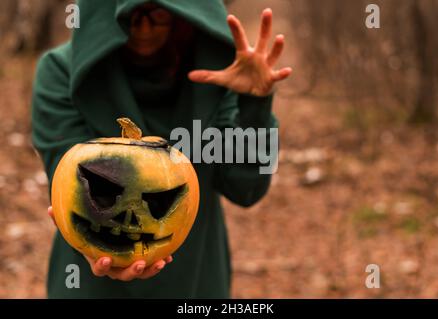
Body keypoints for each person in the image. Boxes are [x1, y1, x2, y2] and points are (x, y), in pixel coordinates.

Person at [32, 0, 291, 298]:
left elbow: (246, 188)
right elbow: (71, 191)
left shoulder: (220, 73)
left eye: (158, 15)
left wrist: (254, 109)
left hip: (194, 280)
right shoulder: (61, 71)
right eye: (132, 16)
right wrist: (92, 248)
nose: (144, 29)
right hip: (89, 279)